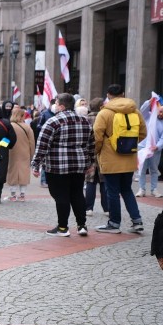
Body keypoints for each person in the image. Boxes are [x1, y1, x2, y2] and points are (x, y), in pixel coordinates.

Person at [31, 93, 96, 237]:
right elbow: (91, 145)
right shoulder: (85, 122)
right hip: (79, 164)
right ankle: (81, 225)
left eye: (56, 103)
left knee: (61, 196)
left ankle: (62, 228)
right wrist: (91, 162)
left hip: (57, 166)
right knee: (77, 194)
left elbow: (42, 145)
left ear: (60, 105)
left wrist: (36, 165)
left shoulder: (53, 121)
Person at [93, 84, 147, 234]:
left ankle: (114, 223)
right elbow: (143, 132)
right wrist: (130, 144)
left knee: (112, 192)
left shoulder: (104, 113)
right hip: (129, 157)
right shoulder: (135, 111)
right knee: (127, 190)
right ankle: (137, 221)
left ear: (108, 95)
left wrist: (98, 150)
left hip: (110, 158)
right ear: (123, 94)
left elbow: (97, 136)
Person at [136, 100, 163, 198]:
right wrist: (150, 101)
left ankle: (154, 189)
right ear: (157, 110)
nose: (161, 114)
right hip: (143, 147)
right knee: (142, 169)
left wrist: (157, 146)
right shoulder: (149, 116)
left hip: (155, 149)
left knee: (154, 169)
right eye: (160, 111)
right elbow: (142, 109)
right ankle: (142, 189)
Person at [5, 107, 36, 201]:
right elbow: (32, 142)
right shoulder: (27, 127)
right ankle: (22, 195)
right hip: (24, 153)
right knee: (24, 173)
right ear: (22, 116)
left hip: (12, 152)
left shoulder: (9, 126)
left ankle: (13, 195)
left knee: (12, 172)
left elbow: (5, 140)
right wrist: (32, 154)